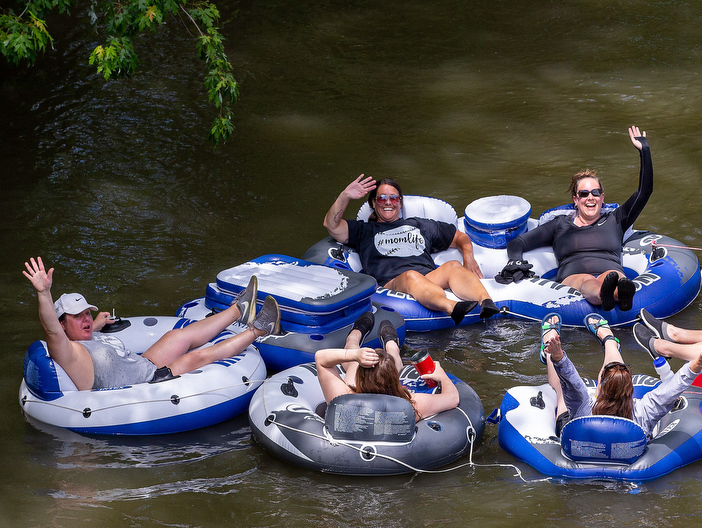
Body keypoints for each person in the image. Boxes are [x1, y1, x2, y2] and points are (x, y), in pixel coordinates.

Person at [23, 257, 280, 391]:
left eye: (87, 313)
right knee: (197, 357)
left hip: (143, 364)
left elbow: (89, 327)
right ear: (62, 325)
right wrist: (43, 293)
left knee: (176, 337)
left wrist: (98, 322)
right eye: (77, 316)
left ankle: (238, 310)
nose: (86, 319)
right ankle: (261, 328)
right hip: (148, 384)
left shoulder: (87, 335)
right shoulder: (69, 353)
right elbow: (51, 331)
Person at [499, 126, 653, 312]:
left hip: (610, 271)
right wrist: (515, 261)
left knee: (612, 275)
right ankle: (605, 295)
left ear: (602, 197)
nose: (590, 197)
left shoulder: (616, 219)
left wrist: (644, 151)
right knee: (587, 280)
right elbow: (519, 242)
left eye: (595, 193)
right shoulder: (560, 225)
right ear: (576, 200)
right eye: (584, 193)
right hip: (574, 277)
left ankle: (621, 292)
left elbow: (644, 192)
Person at [323, 175, 500, 325]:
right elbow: (331, 225)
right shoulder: (363, 230)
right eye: (382, 198)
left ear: (400, 203)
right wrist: (345, 196)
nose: (388, 203)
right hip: (392, 283)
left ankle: (486, 302)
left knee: (453, 265)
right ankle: (452, 307)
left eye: (393, 198)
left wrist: (468, 257)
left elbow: (460, 237)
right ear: (374, 203)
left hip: (428, 278)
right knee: (410, 276)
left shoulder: (420, 225)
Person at [541, 311, 702, 437]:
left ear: (599, 389)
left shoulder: (584, 408)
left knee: (563, 395)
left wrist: (558, 356)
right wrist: (695, 365)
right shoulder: (643, 413)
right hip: (628, 461)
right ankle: (610, 341)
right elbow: (671, 390)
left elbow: (570, 382)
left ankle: (550, 347)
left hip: (580, 444)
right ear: (630, 391)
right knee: (610, 371)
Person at [315, 311, 459, 420]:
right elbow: (453, 398)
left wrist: (355, 356)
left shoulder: (342, 400)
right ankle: (392, 345)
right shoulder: (412, 406)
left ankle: (354, 336)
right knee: (390, 362)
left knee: (353, 361)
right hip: (393, 407)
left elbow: (320, 358)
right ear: (395, 379)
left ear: (361, 378)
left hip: (355, 402)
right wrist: (442, 376)